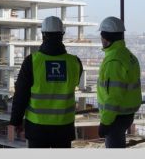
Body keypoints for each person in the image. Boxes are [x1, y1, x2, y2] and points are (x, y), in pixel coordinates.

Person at [10, 16, 83, 148]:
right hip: (64, 128)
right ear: (62, 35)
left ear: (43, 35)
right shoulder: (74, 62)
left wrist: (16, 120)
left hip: (37, 128)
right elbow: (75, 82)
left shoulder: (31, 61)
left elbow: (21, 94)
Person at [97, 16, 142, 148]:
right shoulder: (127, 55)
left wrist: (105, 122)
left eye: (102, 36)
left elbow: (114, 96)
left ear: (106, 38)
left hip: (115, 117)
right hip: (126, 114)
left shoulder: (114, 61)